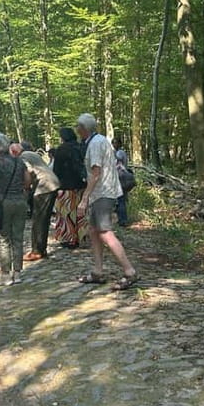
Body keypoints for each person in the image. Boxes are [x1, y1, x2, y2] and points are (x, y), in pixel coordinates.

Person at [75, 114, 138, 290]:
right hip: (101, 193)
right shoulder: (99, 140)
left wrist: (84, 198)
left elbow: (96, 173)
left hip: (103, 192)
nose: (76, 130)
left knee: (105, 232)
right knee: (94, 231)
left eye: (77, 127)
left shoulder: (95, 144)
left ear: (84, 128)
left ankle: (130, 271)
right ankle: (97, 271)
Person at [0, 133, 31, 286]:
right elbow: (27, 181)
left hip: (4, 203)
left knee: (4, 239)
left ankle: (5, 275)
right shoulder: (19, 161)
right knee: (18, 238)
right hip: (20, 201)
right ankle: (18, 273)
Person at [10, 143, 60, 261]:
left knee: (39, 220)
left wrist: (26, 189)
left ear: (14, 152)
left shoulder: (22, 158)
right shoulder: (31, 153)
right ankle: (41, 249)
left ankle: (37, 251)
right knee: (43, 219)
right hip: (51, 184)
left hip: (44, 187)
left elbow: (28, 174)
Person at [52, 127, 88, 249]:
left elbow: (56, 171)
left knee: (66, 214)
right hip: (81, 186)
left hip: (66, 186)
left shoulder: (61, 150)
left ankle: (69, 239)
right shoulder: (80, 147)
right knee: (79, 212)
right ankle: (80, 236)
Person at [112, 138, 130, 227]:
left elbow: (118, 160)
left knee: (120, 199)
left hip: (121, 179)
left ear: (119, 144)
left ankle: (123, 220)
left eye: (115, 143)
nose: (114, 145)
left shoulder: (120, 153)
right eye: (113, 143)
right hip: (121, 178)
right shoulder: (121, 152)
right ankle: (121, 219)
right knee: (120, 200)